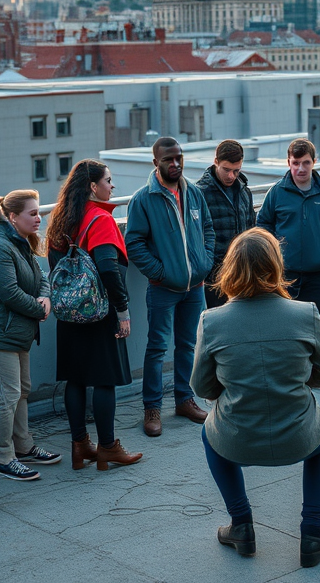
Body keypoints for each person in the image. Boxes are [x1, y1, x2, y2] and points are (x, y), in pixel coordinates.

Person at [191, 228, 320, 568]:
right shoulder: (306, 313)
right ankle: (313, 531)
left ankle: (241, 525)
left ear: (230, 269)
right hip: (299, 437)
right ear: (276, 265)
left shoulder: (211, 321)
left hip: (236, 438)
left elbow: (202, 388)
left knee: (209, 434)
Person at [46, 160, 143, 469]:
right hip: (100, 313)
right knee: (104, 381)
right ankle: (108, 448)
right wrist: (123, 311)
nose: (112, 186)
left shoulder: (60, 221)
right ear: (92, 186)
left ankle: (80, 446)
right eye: (109, 180)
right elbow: (108, 269)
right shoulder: (100, 219)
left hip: (69, 314)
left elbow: (54, 268)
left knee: (75, 380)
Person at [126, 137, 215, 437]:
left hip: (196, 286)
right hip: (163, 288)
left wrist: (204, 263)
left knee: (189, 345)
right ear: (156, 163)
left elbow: (208, 229)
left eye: (179, 157)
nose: (175, 163)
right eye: (168, 159)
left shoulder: (194, 192)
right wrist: (160, 273)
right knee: (156, 348)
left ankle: (184, 399)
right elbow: (134, 244)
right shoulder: (143, 199)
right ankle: (152, 407)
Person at [0, 190, 61, 482]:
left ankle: (23, 446)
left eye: (39, 212)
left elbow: (42, 276)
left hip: (18, 331)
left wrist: (45, 299)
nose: (39, 218)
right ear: (13, 217)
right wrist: (39, 311)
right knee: (9, 395)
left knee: (22, 389)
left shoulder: (20, 242)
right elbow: (9, 294)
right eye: (33, 213)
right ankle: (4, 457)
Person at [257, 138, 320, 318]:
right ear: (288, 163)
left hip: (318, 275)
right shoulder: (276, 192)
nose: (301, 168)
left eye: (306, 162)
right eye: (296, 163)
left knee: (314, 323)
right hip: (284, 275)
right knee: (286, 324)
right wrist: (275, 252)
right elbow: (262, 225)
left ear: (314, 162)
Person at [196, 139, 256, 310]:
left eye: (236, 171)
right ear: (216, 162)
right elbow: (195, 237)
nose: (231, 176)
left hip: (243, 273)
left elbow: (251, 228)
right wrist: (206, 268)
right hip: (213, 278)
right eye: (226, 170)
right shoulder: (199, 193)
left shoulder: (244, 191)